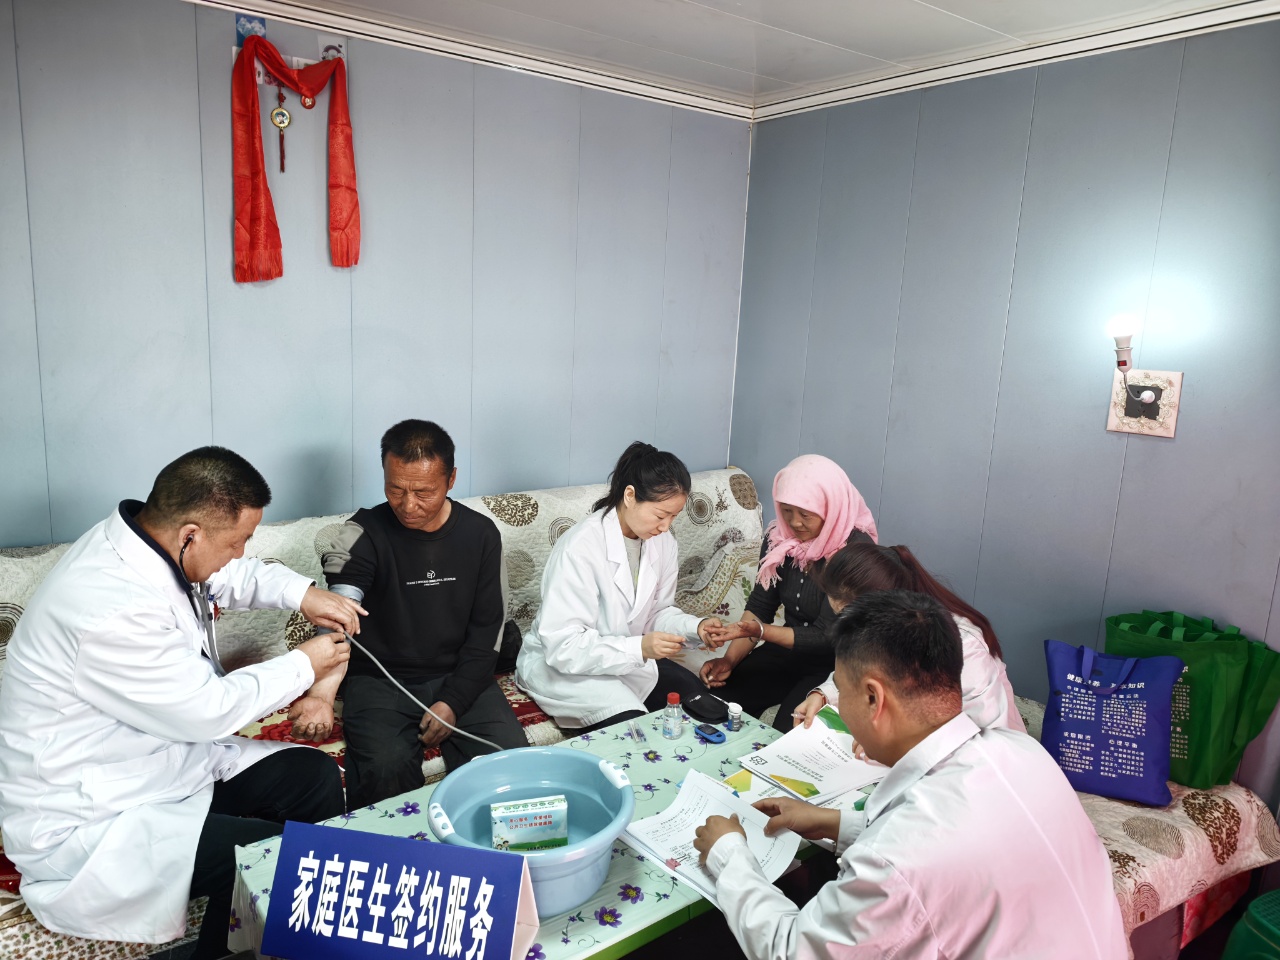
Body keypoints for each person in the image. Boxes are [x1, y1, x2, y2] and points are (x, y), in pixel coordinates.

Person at [0, 447, 362, 960]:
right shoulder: (108, 608)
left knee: (313, 777)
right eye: (237, 541)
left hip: (160, 766)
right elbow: (207, 711)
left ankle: (300, 935)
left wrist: (302, 594)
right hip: (93, 816)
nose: (240, 552)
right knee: (270, 856)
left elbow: (222, 574)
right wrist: (306, 664)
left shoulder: (148, 544)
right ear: (190, 534)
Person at [692, 590, 1128, 960]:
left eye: (840, 690)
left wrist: (729, 854)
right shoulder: (1021, 752)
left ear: (873, 698)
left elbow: (794, 952)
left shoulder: (896, 860)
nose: (838, 705)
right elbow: (956, 844)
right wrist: (834, 822)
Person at [319, 419, 526, 808]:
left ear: (451, 480)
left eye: (423, 492)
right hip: (380, 681)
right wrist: (321, 691)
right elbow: (337, 608)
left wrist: (453, 701)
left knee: (511, 767)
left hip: (460, 672)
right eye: (395, 489)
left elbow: (487, 632)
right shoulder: (361, 531)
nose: (408, 505)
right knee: (384, 771)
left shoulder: (481, 534)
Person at [515, 442, 722, 732]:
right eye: (660, 515)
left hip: (625, 658)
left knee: (700, 701)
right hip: (566, 668)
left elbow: (656, 612)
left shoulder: (663, 542)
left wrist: (695, 627)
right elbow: (564, 645)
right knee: (632, 727)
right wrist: (639, 647)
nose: (666, 526)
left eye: (674, 516)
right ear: (630, 495)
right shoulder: (580, 547)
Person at [701, 454, 877, 731]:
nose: (794, 522)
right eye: (786, 511)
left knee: (790, 728)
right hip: (785, 652)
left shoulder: (854, 552)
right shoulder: (779, 541)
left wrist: (760, 631)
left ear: (831, 507)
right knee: (715, 703)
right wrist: (729, 660)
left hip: (834, 666)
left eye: (805, 514)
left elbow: (826, 636)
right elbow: (760, 605)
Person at [794, 541, 1024, 737]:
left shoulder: (963, 646)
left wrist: (898, 747)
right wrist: (823, 695)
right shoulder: (878, 625)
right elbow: (856, 674)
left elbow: (988, 737)